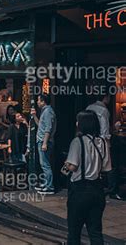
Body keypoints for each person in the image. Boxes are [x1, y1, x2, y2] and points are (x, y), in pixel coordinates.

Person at [64, 110, 111, 245]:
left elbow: (71, 167)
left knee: (74, 232)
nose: (76, 123)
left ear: (83, 124)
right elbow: (106, 168)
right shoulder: (102, 143)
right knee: (95, 232)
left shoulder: (77, 142)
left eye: (78, 121)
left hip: (80, 192)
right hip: (97, 190)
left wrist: (64, 167)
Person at [86, 94, 123, 201]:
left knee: (93, 165)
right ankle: (112, 190)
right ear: (105, 97)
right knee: (110, 166)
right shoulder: (103, 110)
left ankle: (94, 188)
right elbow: (105, 131)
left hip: (89, 140)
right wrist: (107, 143)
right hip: (101, 142)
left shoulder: (89, 107)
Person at [31, 94, 56, 195]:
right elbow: (40, 125)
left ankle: (49, 187)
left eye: (38, 100)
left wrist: (45, 143)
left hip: (44, 141)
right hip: (42, 140)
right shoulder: (45, 111)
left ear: (43, 101)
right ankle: (46, 184)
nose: (37, 102)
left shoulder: (48, 112)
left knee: (45, 165)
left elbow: (48, 129)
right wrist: (34, 116)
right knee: (44, 164)